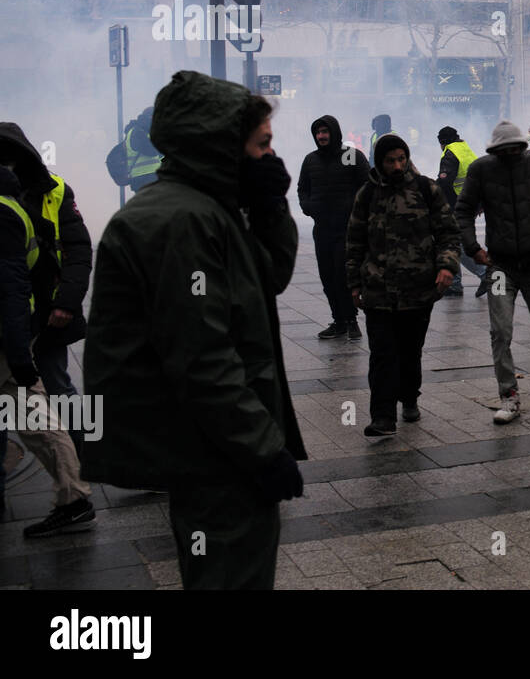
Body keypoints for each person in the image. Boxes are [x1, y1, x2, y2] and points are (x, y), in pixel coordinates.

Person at [82, 72, 307, 589]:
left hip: (216, 445)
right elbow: (200, 358)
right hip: (213, 451)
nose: (271, 157)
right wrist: (262, 448)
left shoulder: (211, 210)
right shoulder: (179, 221)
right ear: (222, 145)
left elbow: (271, 272)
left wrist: (269, 205)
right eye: (263, 145)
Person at [0, 163, 95, 537]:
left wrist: (66, 303)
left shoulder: (46, 194)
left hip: (38, 321)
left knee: (51, 396)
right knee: (32, 406)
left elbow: (78, 249)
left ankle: (81, 479)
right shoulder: (13, 202)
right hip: (28, 322)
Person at [346, 133, 460, 436]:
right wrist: (354, 284)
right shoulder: (367, 194)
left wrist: (447, 267)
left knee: (410, 352)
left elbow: (448, 233)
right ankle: (383, 417)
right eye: (390, 160)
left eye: (401, 158)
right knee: (382, 354)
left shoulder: (426, 189)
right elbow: (354, 243)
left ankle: (409, 397)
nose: (397, 165)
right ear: (379, 162)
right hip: (378, 291)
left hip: (418, 289)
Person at [454, 121, 530, 423]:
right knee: (500, 332)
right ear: (495, 150)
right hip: (500, 266)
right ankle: (509, 395)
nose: (511, 153)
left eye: (515, 148)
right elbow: (462, 211)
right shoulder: (481, 170)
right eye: (505, 150)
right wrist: (473, 248)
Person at [0, 124, 93, 407]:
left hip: (48, 313)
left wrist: (65, 303)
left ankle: (83, 449)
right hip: (8, 316)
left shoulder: (56, 190)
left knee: (59, 392)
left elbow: (78, 250)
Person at [298, 115, 367, 340]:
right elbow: (303, 188)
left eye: (325, 131)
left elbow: (366, 185)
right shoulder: (311, 160)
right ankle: (338, 320)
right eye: (318, 132)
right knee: (327, 276)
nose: (321, 136)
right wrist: (308, 206)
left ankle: (351, 320)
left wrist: (356, 210)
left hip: (346, 229)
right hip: (322, 229)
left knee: (342, 275)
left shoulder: (348, 155)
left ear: (334, 132)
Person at [435, 126, 484, 297]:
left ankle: (485, 274)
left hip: (457, 205)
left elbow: (444, 182)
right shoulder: (466, 149)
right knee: (454, 241)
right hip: (471, 203)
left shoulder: (450, 153)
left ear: (442, 142)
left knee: (457, 245)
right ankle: (455, 285)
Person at [117, 106, 162, 193]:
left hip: (150, 177)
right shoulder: (137, 132)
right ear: (150, 117)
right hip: (144, 177)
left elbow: (160, 156)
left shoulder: (145, 132)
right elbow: (151, 151)